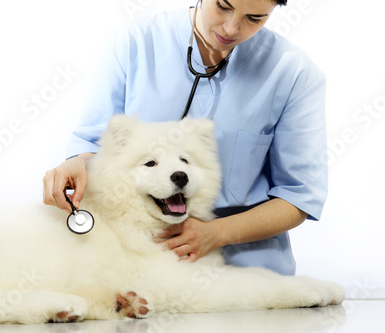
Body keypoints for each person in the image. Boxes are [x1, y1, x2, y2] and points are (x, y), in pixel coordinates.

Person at [43, 0, 327, 276]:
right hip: (141, 258)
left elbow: (299, 195)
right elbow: (96, 145)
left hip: (248, 266)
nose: (230, 28)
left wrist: (217, 233)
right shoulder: (135, 42)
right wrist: (77, 164)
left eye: (255, 18)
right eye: (223, 6)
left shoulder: (294, 73)